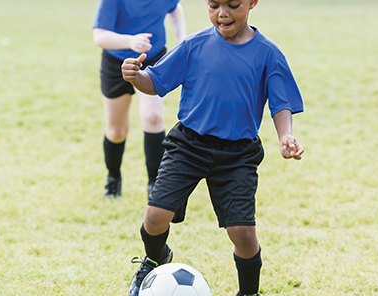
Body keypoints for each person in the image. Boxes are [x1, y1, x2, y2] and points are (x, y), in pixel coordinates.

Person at [120, 0, 305, 294]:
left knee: (242, 233)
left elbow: (281, 102)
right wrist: (135, 76)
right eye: (214, 4)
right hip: (188, 145)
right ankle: (154, 259)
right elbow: (155, 81)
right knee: (155, 216)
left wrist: (285, 135)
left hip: (238, 154)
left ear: (252, 2)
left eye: (232, 5)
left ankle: (249, 292)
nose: (222, 13)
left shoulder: (268, 53)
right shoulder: (194, 45)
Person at [92, 0, 186, 199]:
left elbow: (175, 7)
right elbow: (99, 36)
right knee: (117, 131)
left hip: (152, 59)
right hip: (117, 62)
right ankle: (113, 179)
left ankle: (156, 184)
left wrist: (181, 37)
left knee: (153, 117)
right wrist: (130, 41)